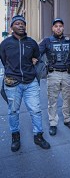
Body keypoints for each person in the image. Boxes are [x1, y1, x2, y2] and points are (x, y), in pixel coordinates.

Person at [0, 15, 50, 152]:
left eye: (22, 23)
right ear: (12, 27)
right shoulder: (5, 44)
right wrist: (12, 72)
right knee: (13, 111)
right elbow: (4, 61)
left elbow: (36, 58)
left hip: (30, 82)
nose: (20, 25)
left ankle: (38, 136)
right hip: (12, 83)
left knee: (35, 110)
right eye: (17, 23)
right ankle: (15, 137)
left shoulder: (32, 43)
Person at [39, 18, 70, 136]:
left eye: (60, 26)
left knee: (68, 98)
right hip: (53, 74)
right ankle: (53, 122)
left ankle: (67, 119)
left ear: (63, 28)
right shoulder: (47, 41)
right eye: (56, 26)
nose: (58, 28)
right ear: (52, 28)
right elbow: (37, 53)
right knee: (52, 100)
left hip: (67, 74)